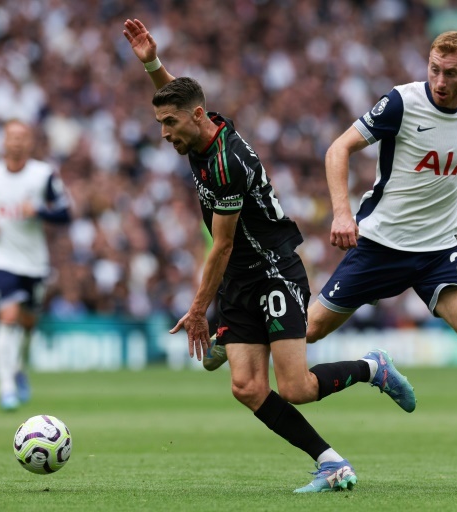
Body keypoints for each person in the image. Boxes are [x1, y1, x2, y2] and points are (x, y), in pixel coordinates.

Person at [206, 31, 457, 483]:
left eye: (450, 73)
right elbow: (339, 148)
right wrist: (342, 212)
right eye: (434, 69)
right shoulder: (401, 102)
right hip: (379, 246)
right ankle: (249, 334)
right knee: (309, 331)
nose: (439, 80)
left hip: (439, 249)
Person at [122, 18, 416, 493]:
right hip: (241, 277)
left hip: (273, 270)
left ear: (196, 118)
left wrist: (198, 310)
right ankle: (331, 462)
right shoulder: (201, 126)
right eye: (160, 123)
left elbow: (222, 245)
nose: (163, 133)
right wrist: (153, 64)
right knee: (247, 388)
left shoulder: (226, 165)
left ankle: (372, 368)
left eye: (169, 124)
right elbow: (178, 99)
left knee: (295, 388)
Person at [0, 119, 72, 410]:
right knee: (8, 315)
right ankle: (5, 388)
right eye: (11, 137)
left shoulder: (43, 175)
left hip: (35, 262)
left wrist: (40, 210)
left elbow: (65, 214)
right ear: (3, 142)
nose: (16, 142)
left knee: (28, 323)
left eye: (21, 137)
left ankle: (18, 369)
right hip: (2, 259)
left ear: (29, 142)